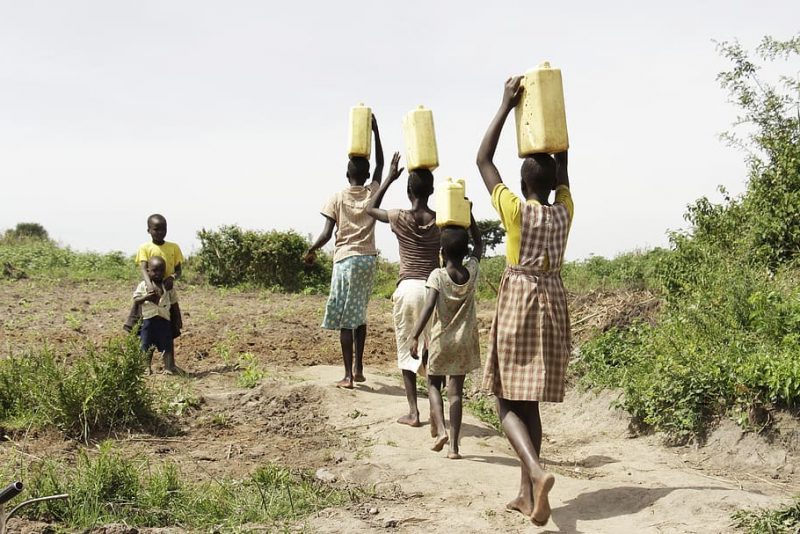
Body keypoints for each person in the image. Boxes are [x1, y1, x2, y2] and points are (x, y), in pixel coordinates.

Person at [476, 76, 573, 527]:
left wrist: (505, 105)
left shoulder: (515, 211)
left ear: (521, 181)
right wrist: (557, 130)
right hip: (552, 304)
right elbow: (564, 173)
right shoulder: (565, 210)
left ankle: (535, 471)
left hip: (519, 302)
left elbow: (483, 159)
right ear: (555, 183)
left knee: (505, 400)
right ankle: (528, 494)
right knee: (528, 402)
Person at [304, 115, 384, 389]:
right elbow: (381, 166)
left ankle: (348, 376)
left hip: (345, 261)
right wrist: (376, 132)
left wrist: (311, 250)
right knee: (359, 314)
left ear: (347, 175)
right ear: (366, 176)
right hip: (367, 260)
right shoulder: (372, 193)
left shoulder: (337, 197)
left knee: (345, 321)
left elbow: (327, 234)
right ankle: (359, 368)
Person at [366, 152, 441, 427]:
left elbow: (370, 209)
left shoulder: (399, 216)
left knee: (406, 349)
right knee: (431, 350)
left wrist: (389, 177)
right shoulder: (440, 221)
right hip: (433, 290)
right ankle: (436, 410)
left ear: (408, 191)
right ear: (432, 191)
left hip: (408, 289)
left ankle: (413, 412)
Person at [408, 220, 483, 459]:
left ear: (441, 252)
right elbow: (479, 245)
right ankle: (454, 449)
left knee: (432, 384)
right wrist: (470, 217)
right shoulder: (471, 272)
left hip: (441, 340)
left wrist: (414, 335)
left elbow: (429, 307)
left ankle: (441, 431)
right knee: (456, 393)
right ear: (465, 251)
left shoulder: (437, 276)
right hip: (464, 342)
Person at [133, 256, 181, 374]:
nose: (158, 273)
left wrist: (178, 319)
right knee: (146, 345)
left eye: (161, 270)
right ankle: (146, 368)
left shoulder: (168, 286)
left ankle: (168, 367)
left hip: (164, 321)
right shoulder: (143, 286)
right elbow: (136, 300)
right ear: (148, 271)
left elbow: (174, 303)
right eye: (155, 270)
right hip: (148, 321)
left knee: (167, 345)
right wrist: (146, 297)